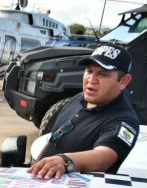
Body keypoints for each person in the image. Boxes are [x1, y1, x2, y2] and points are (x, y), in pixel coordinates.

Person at [28, 44, 139, 179]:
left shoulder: (124, 119)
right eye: (89, 71)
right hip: (42, 187)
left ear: (123, 81)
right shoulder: (77, 98)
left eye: (103, 74)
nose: (92, 79)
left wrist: (64, 161)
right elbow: (54, 138)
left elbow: (104, 157)